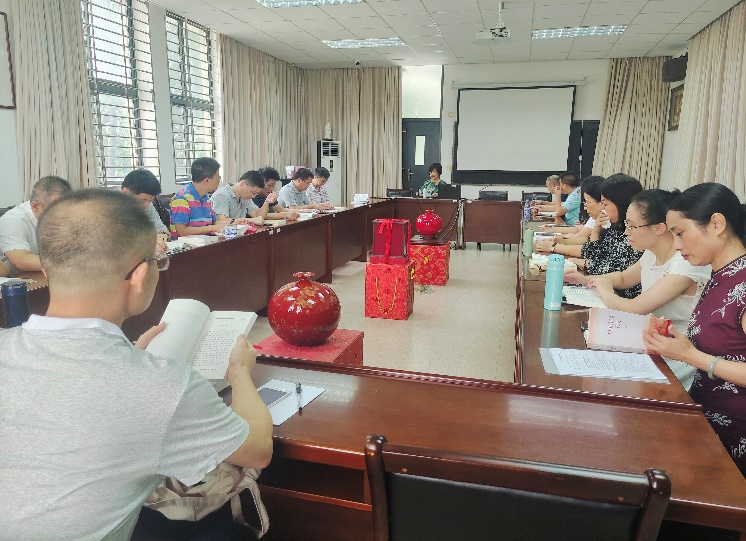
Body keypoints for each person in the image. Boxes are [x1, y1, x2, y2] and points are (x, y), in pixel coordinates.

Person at [0, 189, 273, 539]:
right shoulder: (163, 386)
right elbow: (257, 450)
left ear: (46, 268)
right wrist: (239, 373)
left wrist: (132, 357)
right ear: (140, 275)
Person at [643, 183, 746, 476]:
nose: (676, 245)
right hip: (705, 417)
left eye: (680, 233)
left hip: (733, 437)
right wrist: (676, 343)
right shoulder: (720, 274)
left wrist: (691, 355)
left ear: (716, 224)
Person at [568, 189, 712, 389]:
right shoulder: (652, 252)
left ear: (659, 228)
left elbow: (635, 308)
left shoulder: (685, 263)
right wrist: (585, 280)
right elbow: (624, 278)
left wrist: (605, 290)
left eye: (632, 226)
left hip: (677, 355)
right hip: (652, 341)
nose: (626, 232)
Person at [566, 173, 644, 299]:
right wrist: (596, 232)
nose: (602, 209)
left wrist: (587, 267)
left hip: (622, 299)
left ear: (621, 203)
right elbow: (593, 257)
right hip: (607, 294)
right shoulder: (615, 227)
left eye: (605, 204)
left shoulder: (636, 233)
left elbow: (604, 269)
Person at [0, 176, 72, 275]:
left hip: (48, 274)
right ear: (35, 206)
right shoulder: (12, 220)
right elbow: (21, 261)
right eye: (55, 209)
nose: (62, 215)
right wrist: (70, 263)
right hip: (18, 279)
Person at [535, 177, 605, 265]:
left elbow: (590, 250)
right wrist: (561, 239)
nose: (585, 207)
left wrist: (554, 246)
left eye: (587, 202)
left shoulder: (607, 222)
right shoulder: (598, 218)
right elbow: (589, 243)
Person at [169, 157, 224, 239]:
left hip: (207, 243)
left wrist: (234, 223)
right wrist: (212, 228)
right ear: (207, 180)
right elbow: (182, 232)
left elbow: (214, 223)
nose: (219, 180)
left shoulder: (206, 197)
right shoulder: (182, 198)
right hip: (186, 246)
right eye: (218, 177)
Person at [121, 168, 170, 253]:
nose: (147, 205)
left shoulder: (147, 205)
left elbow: (163, 230)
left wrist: (161, 237)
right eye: (142, 200)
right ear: (125, 193)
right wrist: (149, 242)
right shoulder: (109, 209)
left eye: (150, 201)